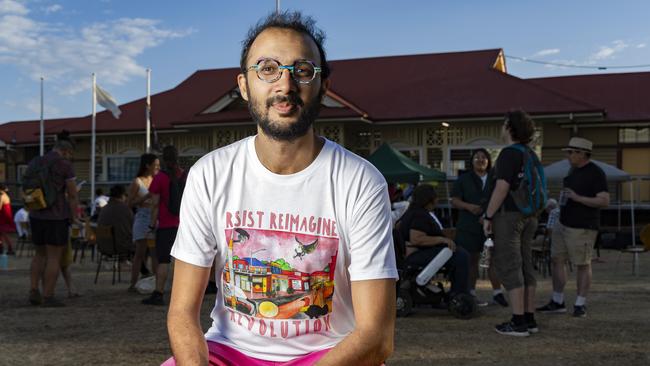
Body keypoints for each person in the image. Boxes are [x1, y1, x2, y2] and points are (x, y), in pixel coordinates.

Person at [164, 11, 397, 365]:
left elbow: (376, 338)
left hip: (329, 356)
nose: (284, 86)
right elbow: (182, 313)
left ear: (324, 86)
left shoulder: (360, 182)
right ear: (244, 85)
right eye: (267, 69)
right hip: (228, 353)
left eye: (302, 71)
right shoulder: (209, 174)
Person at [536, 137, 609, 318]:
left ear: (582, 153)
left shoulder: (596, 173)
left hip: (583, 226)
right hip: (563, 222)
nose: (568, 156)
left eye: (570, 152)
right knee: (556, 260)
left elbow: (605, 200)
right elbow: (568, 197)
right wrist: (557, 206)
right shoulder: (572, 171)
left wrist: (578, 198)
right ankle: (557, 300)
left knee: (582, 264)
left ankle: (580, 304)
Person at [483, 110, 540, 337]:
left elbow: (502, 187)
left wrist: (488, 215)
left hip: (509, 216)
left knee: (510, 265)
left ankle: (517, 322)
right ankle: (529, 317)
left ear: (509, 127)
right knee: (526, 266)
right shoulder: (530, 154)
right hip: (530, 216)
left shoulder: (508, 154)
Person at [28, 130, 80, 307]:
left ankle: (34, 289)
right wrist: (75, 216)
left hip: (35, 213)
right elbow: (72, 195)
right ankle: (48, 295)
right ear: (65, 151)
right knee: (53, 257)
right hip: (56, 215)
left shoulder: (36, 161)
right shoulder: (64, 165)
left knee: (39, 254)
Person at [451, 149, 508, 307]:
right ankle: (471, 293)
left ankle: (497, 293)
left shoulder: (495, 178)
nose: (480, 160)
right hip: (468, 225)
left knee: (492, 260)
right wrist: (469, 207)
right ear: (472, 161)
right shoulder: (464, 179)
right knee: (471, 260)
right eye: (477, 157)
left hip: (491, 224)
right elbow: (454, 200)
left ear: (489, 161)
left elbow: (502, 198)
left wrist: (489, 215)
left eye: (484, 157)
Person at [399, 184, 470, 298]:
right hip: (414, 255)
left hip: (412, 255)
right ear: (428, 199)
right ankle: (459, 294)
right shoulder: (419, 215)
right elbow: (416, 238)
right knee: (461, 256)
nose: (437, 200)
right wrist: (442, 239)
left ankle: (457, 292)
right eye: (435, 197)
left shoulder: (412, 211)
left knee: (459, 252)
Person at [142, 146, 183, 306]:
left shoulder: (160, 177)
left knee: (164, 261)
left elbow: (155, 204)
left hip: (166, 225)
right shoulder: (184, 175)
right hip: (183, 225)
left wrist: (152, 225)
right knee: (183, 261)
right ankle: (182, 294)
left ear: (163, 159)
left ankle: (158, 293)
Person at [127, 153, 160, 291]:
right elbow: (129, 203)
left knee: (154, 253)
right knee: (140, 253)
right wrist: (145, 197)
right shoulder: (137, 181)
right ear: (148, 165)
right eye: (156, 165)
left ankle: (156, 284)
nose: (158, 168)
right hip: (142, 217)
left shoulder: (157, 180)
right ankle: (133, 284)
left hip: (154, 217)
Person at [97, 185, 134, 254]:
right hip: (121, 247)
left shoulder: (104, 209)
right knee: (142, 244)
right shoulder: (125, 209)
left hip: (103, 247)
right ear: (122, 195)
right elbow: (132, 228)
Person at [0, 184, 16, 255]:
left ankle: (9, 248)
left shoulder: (2, 196)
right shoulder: (5, 195)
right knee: (2, 233)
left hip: (3, 217)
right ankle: (2, 247)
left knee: (4, 233)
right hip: (4, 216)